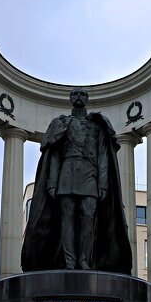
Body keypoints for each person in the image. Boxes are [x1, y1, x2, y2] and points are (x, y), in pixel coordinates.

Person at [20, 88, 132, 273]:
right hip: (67, 175)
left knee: (88, 218)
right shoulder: (62, 124)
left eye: (82, 94)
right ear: (71, 99)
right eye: (75, 94)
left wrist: (103, 183)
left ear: (87, 99)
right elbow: (55, 155)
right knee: (68, 220)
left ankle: (85, 261)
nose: (78, 97)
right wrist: (53, 183)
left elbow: (103, 156)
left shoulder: (97, 126)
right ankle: (70, 261)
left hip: (90, 177)